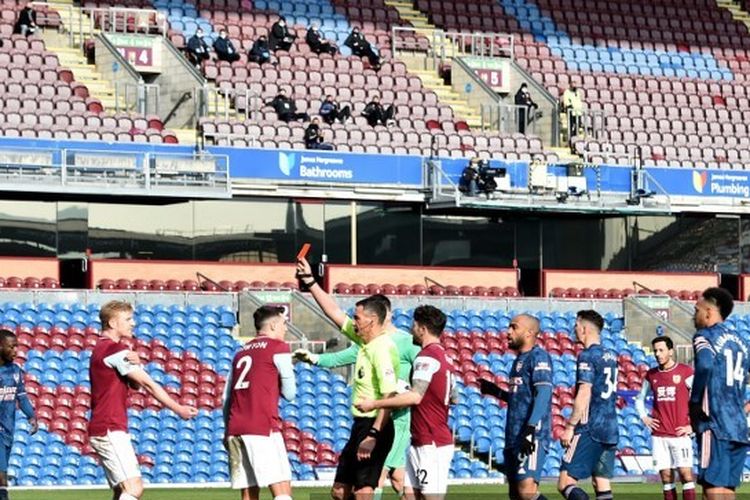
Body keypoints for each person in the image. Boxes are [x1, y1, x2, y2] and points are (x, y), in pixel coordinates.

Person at [294, 258, 420, 498]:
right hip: (364, 419)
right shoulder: (365, 340)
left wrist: (416, 392)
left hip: (390, 417)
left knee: (382, 480)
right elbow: (334, 312)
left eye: (359, 317)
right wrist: (310, 282)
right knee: (344, 490)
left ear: (381, 316)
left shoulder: (403, 343)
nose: (354, 321)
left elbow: (428, 369)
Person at [88, 300, 197, 500]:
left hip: (104, 425)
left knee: (122, 490)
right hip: (109, 426)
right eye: (128, 319)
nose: (133, 323)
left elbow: (135, 385)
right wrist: (178, 408)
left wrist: (134, 362)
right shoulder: (114, 350)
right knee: (134, 488)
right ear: (112, 323)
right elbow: (147, 384)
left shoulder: (102, 349)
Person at [355, 305, 456, 500]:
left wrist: (375, 403)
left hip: (431, 442)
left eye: (414, 324)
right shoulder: (445, 357)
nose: (411, 329)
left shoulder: (425, 357)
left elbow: (415, 397)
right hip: (423, 438)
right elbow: (454, 397)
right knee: (409, 495)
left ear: (422, 328)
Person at [223, 305, 296, 500]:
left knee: (248, 492)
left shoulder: (240, 353)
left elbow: (226, 397)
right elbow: (290, 394)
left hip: (235, 428)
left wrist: (226, 430)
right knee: (281, 490)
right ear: (272, 325)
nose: (285, 329)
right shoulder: (278, 348)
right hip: (263, 427)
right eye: (283, 323)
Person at [479, 315, 553, 500]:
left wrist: (530, 428)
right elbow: (519, 399)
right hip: (514, 436)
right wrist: (497, 392)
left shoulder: (539, 356)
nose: (508, 331)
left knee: (526, 491)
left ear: (529, 333)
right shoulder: (519, 360)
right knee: (516, 495)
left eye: (514, 327)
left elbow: (543, 393)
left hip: (530, 435)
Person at [691, 287, 750, 499]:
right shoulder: (742, 343)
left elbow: (705, 364)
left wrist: (695, 403)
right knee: (727, 488)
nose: (694, 314)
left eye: (696, 309)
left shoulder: (704, 336)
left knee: (712, 485)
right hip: (739, 427)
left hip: (714, 422)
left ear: (708, 311)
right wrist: (745, 407)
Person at [558, 310, 618, 500]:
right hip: (610, 428)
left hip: (590, 427)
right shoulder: (610, 356)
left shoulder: (587, 356)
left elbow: (584, 392)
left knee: (565, 482)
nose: (574, 330)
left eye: (576, 326)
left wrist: (569, 426)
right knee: (601, 482)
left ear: (583, 328)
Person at [634, 336, 696, 500]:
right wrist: (644, 417)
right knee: (666, 477)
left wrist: (693, 426)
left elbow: (701, 397)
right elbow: (639, 399)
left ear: (670, 351)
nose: (657, 354)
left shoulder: (685, 372)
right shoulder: (651, 375)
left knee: (685, 475)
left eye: (661, 350)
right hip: (659, 434)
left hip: (680, 433)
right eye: (655, 350)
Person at [0, 329, 37, 500]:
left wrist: (31, 416)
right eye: (11, 347)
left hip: (8, 430)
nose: (16, 351)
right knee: (1, 476)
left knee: (3, 471)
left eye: (16, 346)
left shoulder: (15, 370)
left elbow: (21, 396)